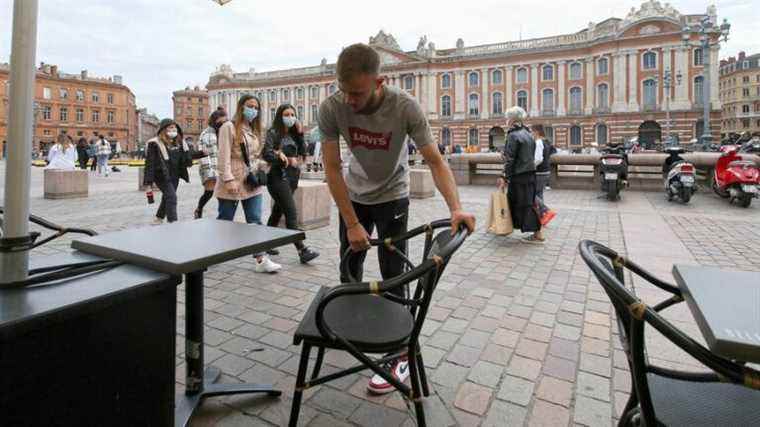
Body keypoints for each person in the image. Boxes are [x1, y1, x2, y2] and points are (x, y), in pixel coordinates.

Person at [318, 43, 476, 394]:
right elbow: (330, 168)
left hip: (393, 194)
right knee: (349, 266)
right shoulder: (332, 107)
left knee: (394, 271)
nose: (349, 101)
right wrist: (352, 223)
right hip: (354, 194)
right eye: (344, 91)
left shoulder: (405, 106)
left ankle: (398, 353)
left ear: (380, 81)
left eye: (357, 93)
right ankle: (351, 330)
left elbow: (435, 160)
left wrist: (455, 208)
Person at [215, 94, 281, 274]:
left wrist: (265, 165)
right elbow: (223, 156)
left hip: (251, 181)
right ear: (241, 107)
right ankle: (211, 250)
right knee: (224, 220)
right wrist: (227, 179)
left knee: (255, 220)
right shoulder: (228, 127)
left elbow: (255, 157)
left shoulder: (255, 130)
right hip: (233, 180)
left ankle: (261, 259)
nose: (254, 110)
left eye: (256, 107)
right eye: (250, 106)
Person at [262, 104, 320, 264]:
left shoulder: (295, 134)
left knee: (277, 212)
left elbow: (303, 152)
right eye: (286, 114)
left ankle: (266, 244)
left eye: (292, 114)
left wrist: (301, 133)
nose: (290, 117)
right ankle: (302, 250)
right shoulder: (273, 132)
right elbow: (266, 153)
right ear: (280, 116)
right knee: (291, 213)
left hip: (292, 179)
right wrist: (286, 160)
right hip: (277, 177)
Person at [498, 106, 543, 243]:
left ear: (511, 119)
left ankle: (538, 234)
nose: (506, 120)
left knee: (523, 204)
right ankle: (535, 232)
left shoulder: (512, 135)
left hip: (519, 176)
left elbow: (510, 159)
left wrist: (504, 176)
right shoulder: (528, 133)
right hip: (530, 174)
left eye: (507, 118)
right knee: (528, 203)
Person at [143, 119, 194, 224]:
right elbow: (150, 164)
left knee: (167, 197)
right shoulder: (155, 144)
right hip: (162, 176)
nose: (173, 130)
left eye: (175, 127)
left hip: (175, 175)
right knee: (172, 197)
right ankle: (173, 222)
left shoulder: (179, 143)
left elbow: (188, 156)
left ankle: (159, 217)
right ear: (163, 130)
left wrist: (203, 153)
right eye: (170, 128)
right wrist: (148, 182)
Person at [195, 109, 227, 219]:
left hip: (221, 168)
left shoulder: (222, 132)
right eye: (220, 122)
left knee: (222, 194)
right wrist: (211, 173)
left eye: (224, 122)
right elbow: (205, 154)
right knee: (209, 192)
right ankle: (199, 209)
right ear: (214, 121)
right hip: (210, 168)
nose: (222, 124)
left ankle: (223, 216)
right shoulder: (207, 133)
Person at [531, 124, 557, 225]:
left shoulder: (538, 142)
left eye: (532, 131)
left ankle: (546, 211)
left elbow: (538, 159)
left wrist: (530, 166)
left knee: (531, 194)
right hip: (546, 171)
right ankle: (542, 217)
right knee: (539, 193)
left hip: (539, 172)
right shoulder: (547, 141)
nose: (531, 134)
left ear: (536, 132)